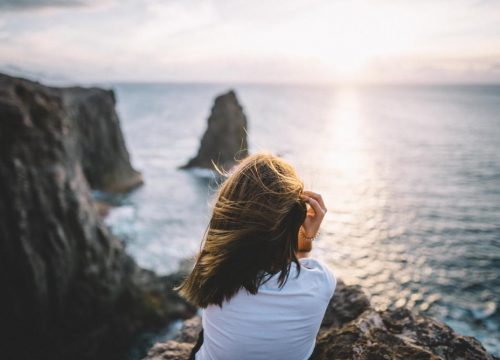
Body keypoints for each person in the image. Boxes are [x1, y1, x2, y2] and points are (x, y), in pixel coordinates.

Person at [176, 152, 336, 360]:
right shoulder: (321, 281)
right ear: (294, 219)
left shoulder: (210, 272)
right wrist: (306, 240)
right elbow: (301, 262)